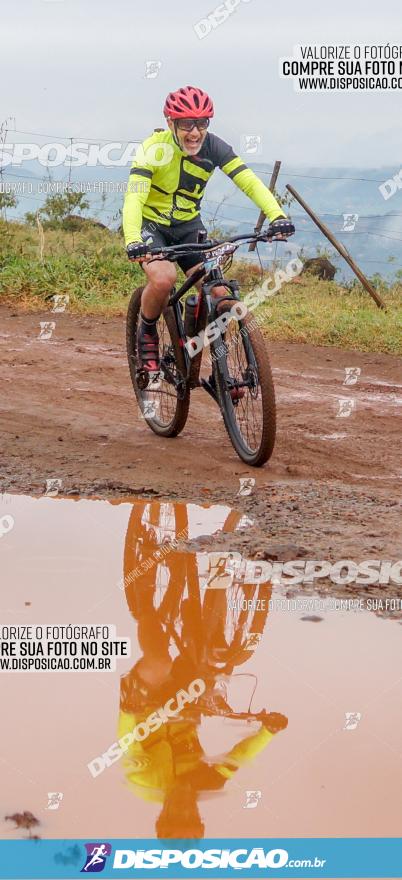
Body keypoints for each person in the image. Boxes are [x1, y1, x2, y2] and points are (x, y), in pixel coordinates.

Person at [123, 85, 294, 373]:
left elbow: (248, 181)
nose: (195, 132)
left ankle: (215, 366)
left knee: (218, 291)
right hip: (151, 225)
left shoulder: (215, 147)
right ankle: (147, 330)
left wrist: (277, 215)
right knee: (163, 279)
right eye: (187, 124)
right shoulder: (153, 149)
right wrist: (133, 239)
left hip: (189, 227)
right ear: (171, 123)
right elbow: (134, 196)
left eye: (201, 123)